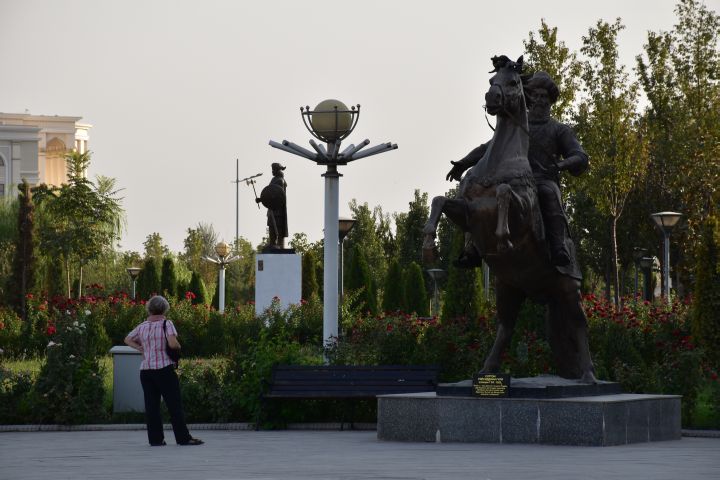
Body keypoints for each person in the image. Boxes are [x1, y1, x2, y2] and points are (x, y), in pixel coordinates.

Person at [446, 71, 588, 267]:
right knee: (477, 191)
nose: (539, 100)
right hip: (512, 179)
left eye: (544, 96)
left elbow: (580, 155)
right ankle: (472, 248)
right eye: (535, 95)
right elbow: (488, 148)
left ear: (551, 101)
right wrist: (463, 163)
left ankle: (558, 246)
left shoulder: (559, 129)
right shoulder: (516, 126)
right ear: (529, 98)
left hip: (541, 179)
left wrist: (562, 164)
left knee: (548, 194)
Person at [124, 295, 203, 446]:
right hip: (164, 369)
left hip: (146, 371)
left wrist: (139, 347)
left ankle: (156, 440)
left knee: (151, 406)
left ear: (149, 309)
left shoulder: (142, 326)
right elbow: (173, 344)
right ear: (165, 308)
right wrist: (179, 348)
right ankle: (183, 438)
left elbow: (127, 339)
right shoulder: (167, 324)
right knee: (174, 405)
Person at [256, 162, 288, 249]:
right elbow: (269, 193)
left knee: (277, 226)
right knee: (271, 225)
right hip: (272, 208)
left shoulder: (280, 180)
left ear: (277, 170)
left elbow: (275, 195)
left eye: (273, 170)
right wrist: (261, 199)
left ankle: (278, 244)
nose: (272, 171)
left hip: (277, 209)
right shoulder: (275, 179)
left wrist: (263, 199)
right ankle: (273, 242)